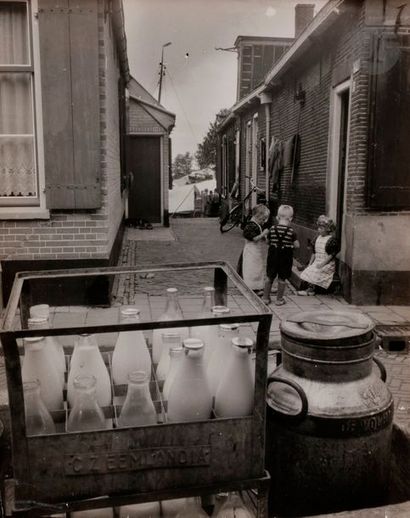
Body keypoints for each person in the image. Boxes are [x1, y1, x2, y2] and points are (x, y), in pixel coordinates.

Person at [262, 205, 299, 306]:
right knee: (282, 278)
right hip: (285, 257)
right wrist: (289, 244)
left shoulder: (272, 229)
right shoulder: (291, 231)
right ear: (290, 218)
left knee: (269, 276)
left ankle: (265, 298)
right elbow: (297, 245)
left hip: (273, 255)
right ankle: (279, 299)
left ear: (278, 217)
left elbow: (268, 242)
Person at [298, 215, 340, 295]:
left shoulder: (331, 240)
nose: (319, 230)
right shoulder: (317, 238)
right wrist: (310, 263)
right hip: (317, 262)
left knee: (315, 272)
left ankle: (311, 290)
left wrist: (323, 264)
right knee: (309, 270)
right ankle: (310, 288)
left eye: (321, 228)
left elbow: (331, 255)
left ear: (328, 229)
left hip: (326, 264)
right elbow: (314, 252)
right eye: (319, 228)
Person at [237, 204, 270, 294]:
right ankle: (250, 287)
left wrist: (264, 237)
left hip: (256, 252)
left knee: (257, 268)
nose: (263, 222)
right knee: (250, 269)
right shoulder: (251, 225)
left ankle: (257, 286)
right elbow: (254, 238)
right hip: (251, 252)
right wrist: (263, 234)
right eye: (262, 219)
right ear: (256, 216)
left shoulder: (256, 225)